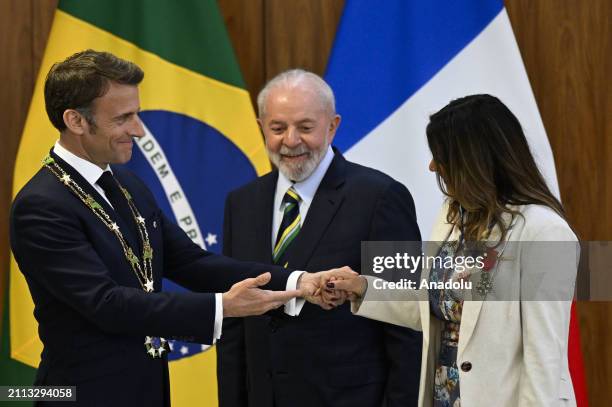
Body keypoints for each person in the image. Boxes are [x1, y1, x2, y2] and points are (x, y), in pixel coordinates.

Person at [9, 50, 340, 406]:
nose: (138, 129)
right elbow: (105, 303)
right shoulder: (40, 206)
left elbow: (191, 263)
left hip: (149, 390)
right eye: (124, 118)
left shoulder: (127, 182)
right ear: (75, 121)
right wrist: (222, 307)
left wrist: (297, 282)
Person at [324, 94, 579, 406]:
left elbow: (545, 357)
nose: (433, 166)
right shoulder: (453, 216)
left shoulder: (545, 232)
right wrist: (363, 288)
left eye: (440, 156)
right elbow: (434, 306)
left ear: (474, 159)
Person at [216, 69, 422, 407]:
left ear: (333, 126)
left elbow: (406, 323)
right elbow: (235, 325)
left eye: (306, 127)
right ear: (261, 127)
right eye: (278, 128)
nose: (291, 140)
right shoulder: (241, 203)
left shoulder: (381, 197)